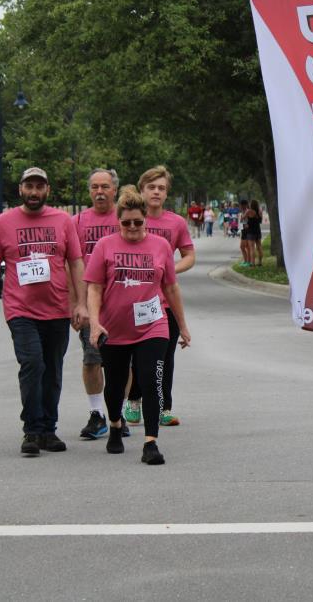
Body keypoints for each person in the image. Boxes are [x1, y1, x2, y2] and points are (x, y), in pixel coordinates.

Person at [0, 167, 88, 457]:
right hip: (21, 310)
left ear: (47, 191)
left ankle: (48, 430)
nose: (34, 192)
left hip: (57, 309)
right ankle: (32, 429)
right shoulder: (3, 223)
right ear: (20, 189)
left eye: (40, 187)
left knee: (52, 370)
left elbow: (76, 263)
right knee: (32, 364)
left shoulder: (63, 221)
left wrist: (81, 303)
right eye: (29, 186)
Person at [85, 186, 190, 465]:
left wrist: (182, 325)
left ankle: (151, 442)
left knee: (151, 380)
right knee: (115, 384)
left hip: (152, 325)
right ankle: (115, 425)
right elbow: (94, 288)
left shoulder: (161, 246)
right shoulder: (104, 246)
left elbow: (171, 288)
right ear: (118, 220)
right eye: (126, 222)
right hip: (114, 328)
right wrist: (94, 323)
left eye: (138, 222)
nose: (132, 227)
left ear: (146, 219)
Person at [123, 165, 195, 428]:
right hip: (134, 300)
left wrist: (170, 269)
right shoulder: (131, 219)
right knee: (136, 356)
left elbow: (189, 255)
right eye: (151, 187)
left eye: (161, 188)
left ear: (167, 193)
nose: (156, 192)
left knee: (164, 357)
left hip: (164, 302)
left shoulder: (175, 223)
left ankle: (164, 407)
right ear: (141, 190)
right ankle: (134, 400)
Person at [72, 168, 122, 441]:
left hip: (121, 303)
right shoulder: (78, 222)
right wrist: (76, 304)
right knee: (92, 359)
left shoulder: (125, 218)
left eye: (105, 186)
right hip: (91, 305)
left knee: (122, 361)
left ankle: (117, 414)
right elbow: (71, 266)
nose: (99, 192)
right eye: (94, 187)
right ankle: (97, 414)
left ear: (115, 189)